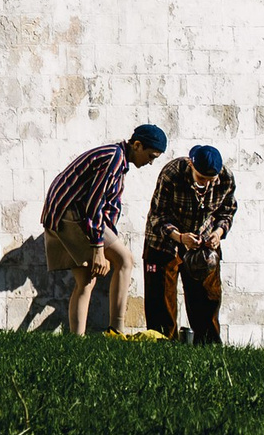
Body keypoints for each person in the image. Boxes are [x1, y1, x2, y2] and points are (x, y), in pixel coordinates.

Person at [43, 124, 168, 338]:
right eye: (150, 155)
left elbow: (107, 208)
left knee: (86, 280)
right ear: (137, 145)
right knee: (125, 260)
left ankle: (76, 340)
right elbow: (94, 205)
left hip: (63, 215)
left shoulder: (117, 159)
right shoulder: (114, 158)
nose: (151, 162)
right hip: (71, 214)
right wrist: (99, 248)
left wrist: (105, 243)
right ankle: (116, 331)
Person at [145, 143, 238, 343]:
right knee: (161, 300)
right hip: (165, 241)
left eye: (210, 179)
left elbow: (227, 211)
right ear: (190, 165)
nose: (205, 183)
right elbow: (157, 215)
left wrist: (218, 233)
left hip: (203, 242)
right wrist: (179, 237)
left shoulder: (226, 178)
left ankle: (208, 347)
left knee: (207, 297)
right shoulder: (172, 174)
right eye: (201, 178)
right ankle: (162, 347)